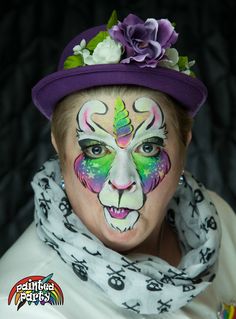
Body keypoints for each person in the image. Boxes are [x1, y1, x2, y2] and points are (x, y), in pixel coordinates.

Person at [0, 11, 235, 319]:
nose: (122, 180)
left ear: (185, 142)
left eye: (148, 148)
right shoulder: (30, 304)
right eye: (96, 149)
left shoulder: (219, 221)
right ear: (59, 148)